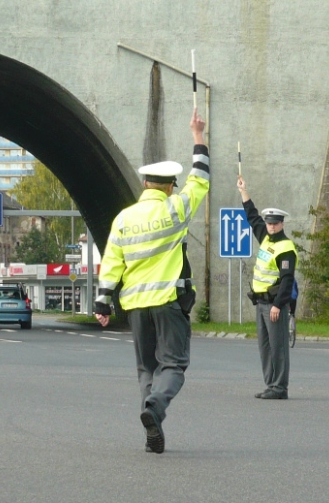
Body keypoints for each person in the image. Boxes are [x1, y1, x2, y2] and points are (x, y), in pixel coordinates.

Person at [95, 107, 209, 454]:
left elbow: (112, 260)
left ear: (145, 184)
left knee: (147, 367)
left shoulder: (124, 219)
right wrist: (197, 136)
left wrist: (103, 301)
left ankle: (151, 424)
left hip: (136, 308)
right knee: (173, 365)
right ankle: (155, 408)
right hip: (168, 304)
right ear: (170, 186)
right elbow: (201, 178)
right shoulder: (175, 209)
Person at [237, 175, 299, 400]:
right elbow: (252, 217)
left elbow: (287, 280)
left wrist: (278, 305)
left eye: (274, 223)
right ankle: (270, 384)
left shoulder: (285, 248)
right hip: (260, 303)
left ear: (282, 223)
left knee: (278, 347)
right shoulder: (265, 237)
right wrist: (245, 192)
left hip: (274, 305)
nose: (270, 226)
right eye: (269, 223)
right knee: (265, 347)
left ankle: (280, 388)